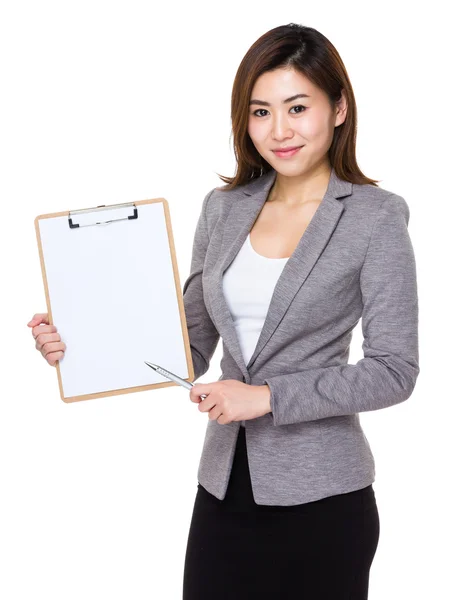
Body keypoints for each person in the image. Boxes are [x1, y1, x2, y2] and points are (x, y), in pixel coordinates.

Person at [28, 23, 419, 600]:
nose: (279, 131)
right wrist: (79, 344)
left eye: (297, 108)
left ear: (338, 109)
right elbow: (186, 342)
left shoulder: (375, 216)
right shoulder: (223, 208)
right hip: (221, 490)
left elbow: (394, 370)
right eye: (261, 112)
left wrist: (266, 397)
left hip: (325, 499)